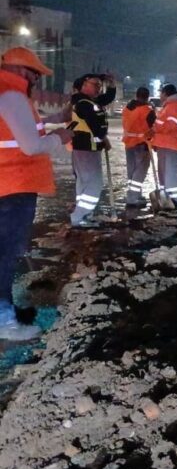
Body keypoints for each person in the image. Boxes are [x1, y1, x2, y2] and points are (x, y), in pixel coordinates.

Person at [0, 47, 73, 340]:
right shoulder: (12, 96)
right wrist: (60, 137)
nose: (36, 81)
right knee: (5, 255)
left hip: (7, 185)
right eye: (34, 75)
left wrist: (53, 125)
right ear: (22, 72)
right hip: (12, 187)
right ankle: (5, 321)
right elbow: (30, 146)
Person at [68, 73, 116, 227]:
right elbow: (95, 126)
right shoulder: (84, 103)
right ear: (84, 85)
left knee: (84, 183)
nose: (98, 88)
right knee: (94, 184)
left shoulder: (88, 101)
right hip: (86, 149)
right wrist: (104, 139)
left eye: (99, 85)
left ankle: (84, 215)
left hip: (86, 148)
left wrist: (112, 85)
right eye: (95, 84)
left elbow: (107, 98)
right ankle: (79, 216)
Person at [150, 83, 177, 209]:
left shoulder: (173, 107)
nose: (160, 95)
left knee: (170, 173)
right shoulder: (169, 106)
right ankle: (166, 197)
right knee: (164, 173)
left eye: (161, 92)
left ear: (165, 94)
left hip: (170, 145)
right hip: (165, 145)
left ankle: (175, 200)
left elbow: (171, 125)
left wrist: (155, 129)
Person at [122, 87, 155, 207]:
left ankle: (135, 194)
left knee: (132, 171)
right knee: (140, 171)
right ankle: (132, 198)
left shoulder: (127, 108)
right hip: (142, 143)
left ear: (136, 95)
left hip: (128, 143)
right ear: (147, 97)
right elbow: (153, 128)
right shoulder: (147, 110)